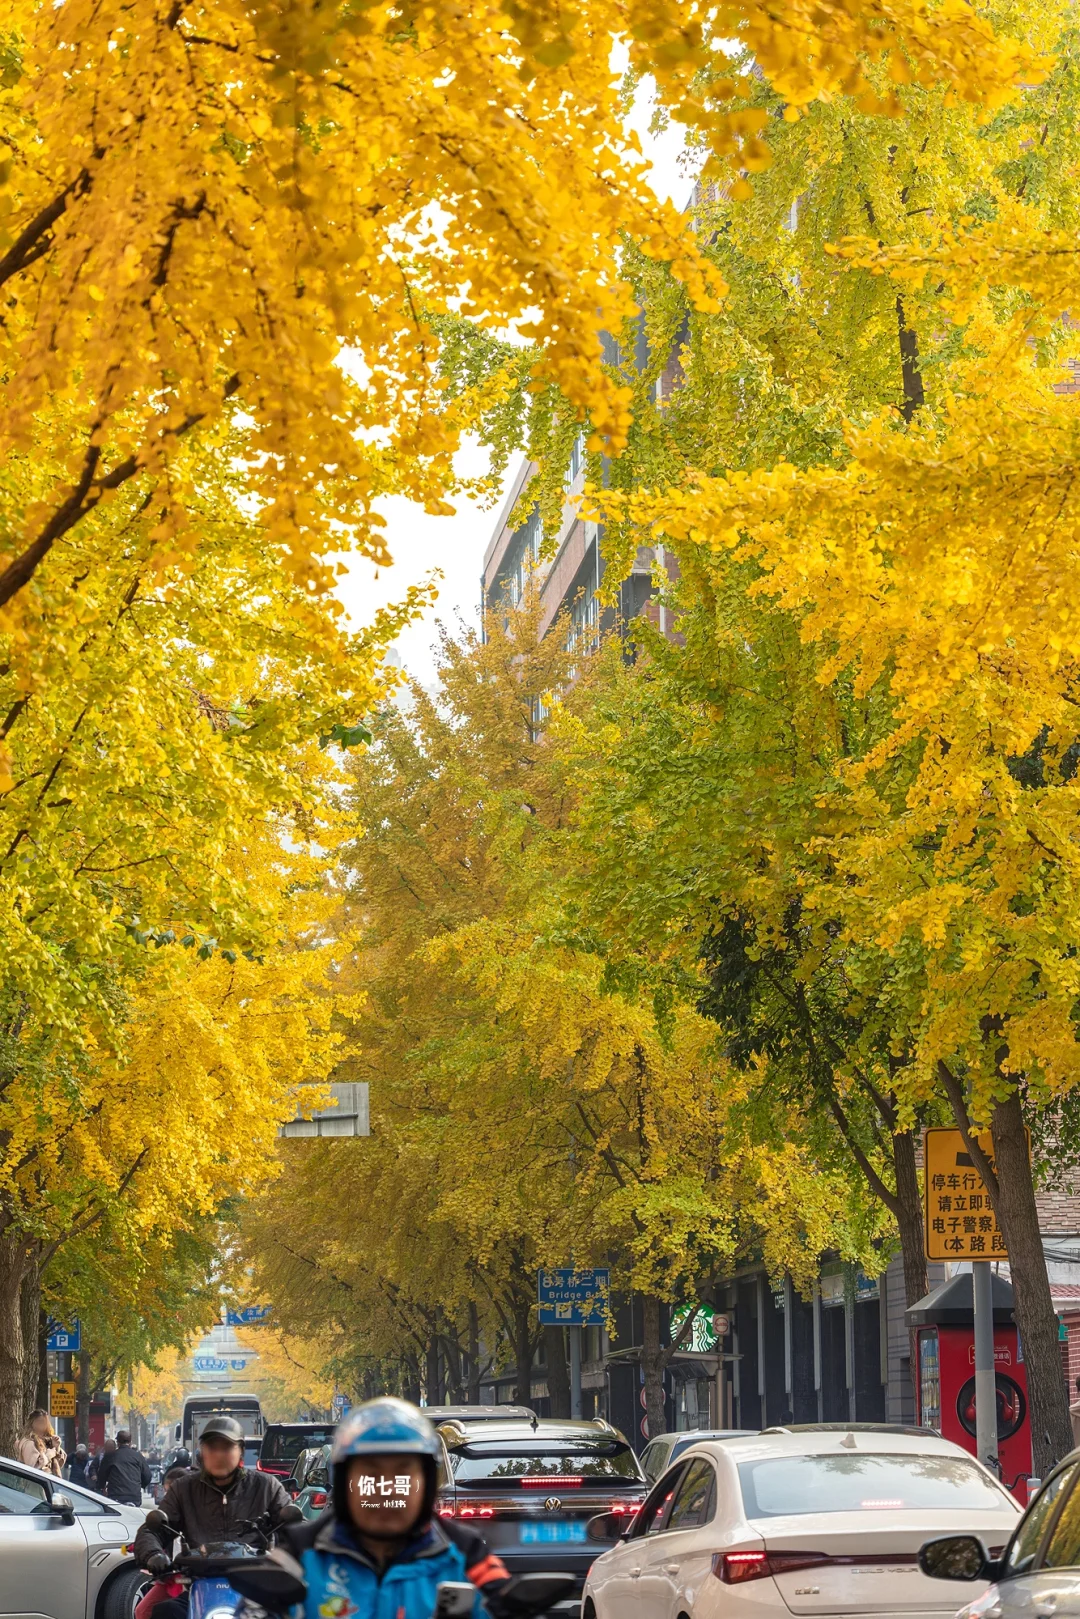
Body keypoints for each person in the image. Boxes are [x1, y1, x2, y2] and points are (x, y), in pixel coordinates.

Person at [275, 1398, 509, 1619]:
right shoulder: (299, 1555)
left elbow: (505, 1604)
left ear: (426, 1484)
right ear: (345, 1482)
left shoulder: (466, 1555)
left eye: (402, 1474)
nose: (386, 1489)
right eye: (371, 1474)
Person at [134, 1415, 297, 1619]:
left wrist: (293, 1556)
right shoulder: (183, 1489)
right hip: (199, 1584)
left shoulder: (266, 1486)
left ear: (241, 1451)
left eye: (227, 1447)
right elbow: (152, 1529)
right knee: (162, 1612)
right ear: (202, 1452)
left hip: (255, 1588)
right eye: (212, 1447)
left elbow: (295, 1528)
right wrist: (153, 1554)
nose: (219, 1454)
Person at [97, 1429, 151, 1506]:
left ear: (117, 1442)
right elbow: (147, 1476)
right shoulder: (138, 1456)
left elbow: (101, 1475)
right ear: (130, 1442)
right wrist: (138, 1485)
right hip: (134, 1496)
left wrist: (101, 1486)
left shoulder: (110, 1456)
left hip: (116, 1495)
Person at [16, 1409, 65, 1476]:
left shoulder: (46, 1441)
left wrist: (56, 1447)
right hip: (35, 1485)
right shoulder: (29, 1443)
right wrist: (48, 1455)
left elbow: (59, 1465)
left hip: (47, 1483)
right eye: (40, 1422)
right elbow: (32, 1470)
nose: (43, 1426)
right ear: (32, 1424)